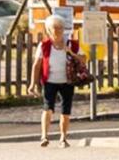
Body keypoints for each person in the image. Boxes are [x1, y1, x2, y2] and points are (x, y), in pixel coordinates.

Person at [30, 15, 81, 148]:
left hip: (67, 81)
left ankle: (63, 138)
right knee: (48, 109)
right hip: (50, 81)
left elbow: (83, 59)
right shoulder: (44, 46)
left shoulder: (72, 44)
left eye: (60, 28)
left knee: (65, 111)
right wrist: (33, 84)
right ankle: (44, 136)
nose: (58, 31)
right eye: (55, 28)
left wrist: (70, 52)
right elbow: (37, 65)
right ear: (48, 30)